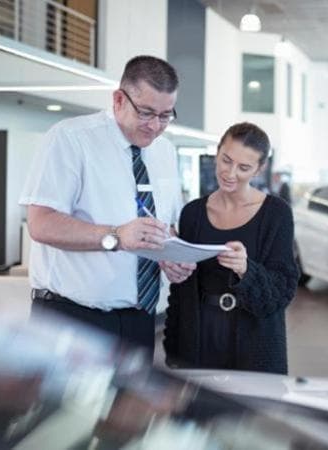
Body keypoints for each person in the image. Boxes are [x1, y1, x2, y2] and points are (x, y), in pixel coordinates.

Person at [19, 55, 197, 359]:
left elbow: (164, 224)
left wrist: (172, 255)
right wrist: (116, 236)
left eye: (166, 115)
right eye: (146, 113)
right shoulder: (71, 138)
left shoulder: (165, 151)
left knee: (133, 394)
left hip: (140, 318)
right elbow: (41, 223)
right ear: (118, 100)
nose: (155, 126)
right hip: (72, 317)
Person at [164, 122, 299, 374]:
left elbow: (283, 289)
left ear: (259, 169)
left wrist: (246, 269)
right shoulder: (192, 213)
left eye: (244, 168)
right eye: (226, 160)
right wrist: (174, 351)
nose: (230, 173)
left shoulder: (276, 214)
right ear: (217, 153)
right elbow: (181, 292)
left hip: (254, 339)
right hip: (199, 337)